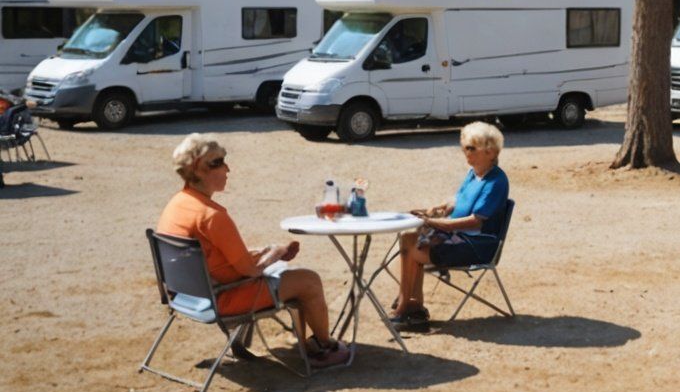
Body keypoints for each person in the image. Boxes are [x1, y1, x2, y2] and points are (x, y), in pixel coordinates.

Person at [156, 134, 352, 368]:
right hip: (223, 298)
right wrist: (275, 252)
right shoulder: (211, 216)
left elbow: (221, 257)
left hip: (187, 294)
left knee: (290, 274)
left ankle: (308, 344)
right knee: (308, 281)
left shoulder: (178, 203)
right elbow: (249, 271)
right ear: (198, 170)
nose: (227, 168)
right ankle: (324, 346)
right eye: (218, 163)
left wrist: (266, 252)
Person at [391, 121, 510, 331]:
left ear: (490, 152)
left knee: (411, 244)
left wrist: (438, 223)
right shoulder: (473, 174)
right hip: (459, 238)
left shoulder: (496, 182)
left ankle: (407, 306)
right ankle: (412, 306)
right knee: (411, 239)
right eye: (465, 147)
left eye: (471, 148)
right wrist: (434, 210)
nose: (466, 152)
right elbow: (456, 202)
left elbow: (475, 220)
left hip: (477, 244)